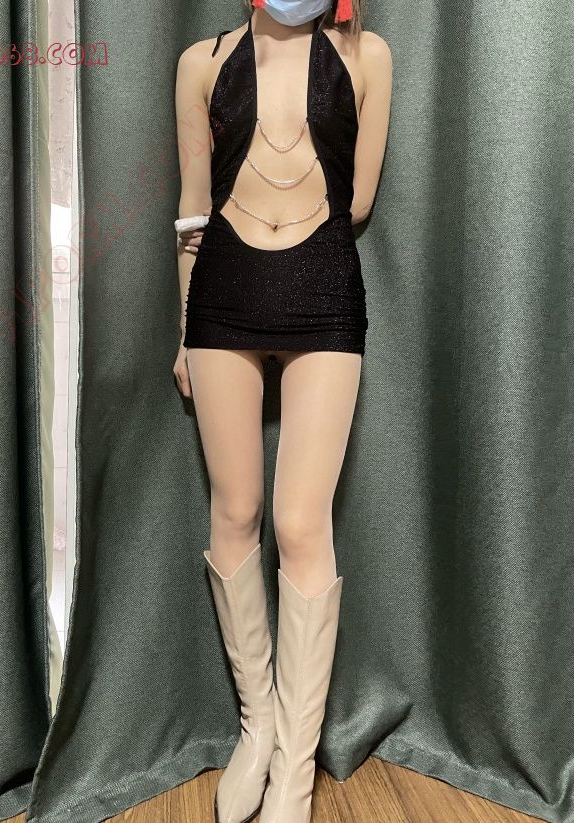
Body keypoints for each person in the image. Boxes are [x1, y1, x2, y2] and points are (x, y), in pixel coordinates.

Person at [174, 1, 392, 820]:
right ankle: (257, 727)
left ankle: (294, 774)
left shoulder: (368, 57)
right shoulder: (201, 64)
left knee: (302, 522)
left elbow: (357, 201)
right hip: (222, 294)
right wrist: (182, 327)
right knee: (235, 509)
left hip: (325, 288)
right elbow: (192, 209)